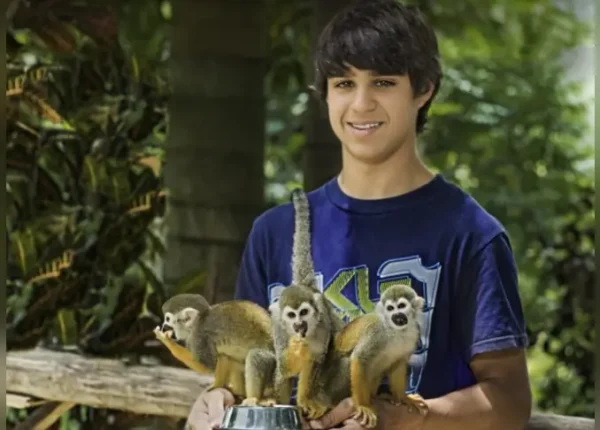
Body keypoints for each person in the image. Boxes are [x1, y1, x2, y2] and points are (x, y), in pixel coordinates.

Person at [185, 0, 532, 429]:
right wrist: (217, 399)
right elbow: (248, 371)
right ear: (325, 96)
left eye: (383, 82)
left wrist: (402, 420)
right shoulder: (274, 232)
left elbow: (510, 401)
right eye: (344, 84)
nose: (361, 104)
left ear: (423, 90)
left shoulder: (471, 235)